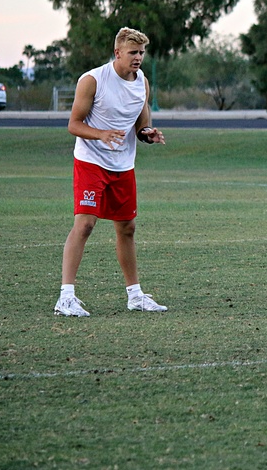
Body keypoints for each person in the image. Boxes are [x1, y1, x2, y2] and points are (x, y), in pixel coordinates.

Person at [54, 27, 168, 317]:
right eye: (133, 52)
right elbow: (74, 125)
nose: (138, 58)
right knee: (85, 225)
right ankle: (66, 297)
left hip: (123, 165)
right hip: (91, 162)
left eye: (141, 52)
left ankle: (135, 295)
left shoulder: (141, 82)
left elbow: (141, 124)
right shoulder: (93, 80)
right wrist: (101, 134)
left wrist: (148, 133)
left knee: (127, 228)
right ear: (117, 52)